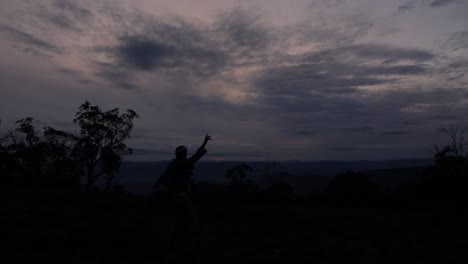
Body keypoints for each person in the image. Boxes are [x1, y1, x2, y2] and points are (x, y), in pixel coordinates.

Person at [156, 133, 212, 263]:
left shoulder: (173, 165)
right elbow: (195, 158)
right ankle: (186, 248)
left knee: (177, 223)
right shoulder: (183, 164)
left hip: (173, 198)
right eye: (185, 153)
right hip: (182, 198)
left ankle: (174, 247)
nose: (186, 155)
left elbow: (163, 179)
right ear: (183, 154)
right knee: (189, 222)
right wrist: (204, 144)